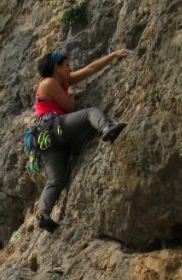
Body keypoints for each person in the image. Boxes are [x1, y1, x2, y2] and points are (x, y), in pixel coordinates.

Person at [33, 47, 130, 232]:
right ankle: (107, 128)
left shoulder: (62, 80)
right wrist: (71, 97)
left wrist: (113, 55)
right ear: (57, 68)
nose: (70, 68)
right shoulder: (48, 83)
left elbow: (90, 69)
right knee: (90, 113)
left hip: (45, 138)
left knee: (56, 179)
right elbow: (69, 106)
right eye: (67, 65)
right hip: (53, 128)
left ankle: (44, 215)